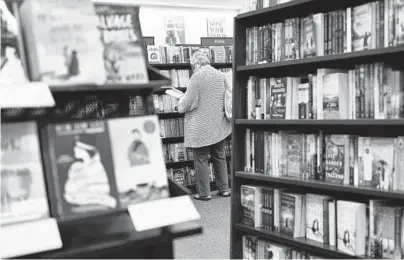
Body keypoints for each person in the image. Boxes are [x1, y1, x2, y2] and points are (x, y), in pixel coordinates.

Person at [176, 52, 231, 201]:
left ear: (196, 64)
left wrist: (180, 101)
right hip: (219, 124)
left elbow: (188, 102)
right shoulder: (221, 75)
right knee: (219, 156)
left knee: (201, 158)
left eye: (193, 66)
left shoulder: (196, 77)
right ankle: (224, 189)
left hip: (201, 126)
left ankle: (204, 193)